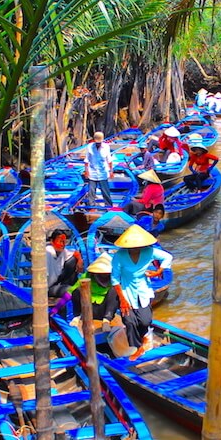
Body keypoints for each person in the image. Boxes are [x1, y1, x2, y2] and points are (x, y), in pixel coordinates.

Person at [111, 225, 173, 360]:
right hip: (126, 291)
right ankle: (138, 348)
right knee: (129, 320)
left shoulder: (149, 252)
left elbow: (167, 257)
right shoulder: (119, 256)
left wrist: (158, 271)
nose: (135, 248)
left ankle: (144, 336)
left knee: (145, 321)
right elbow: (115, 278)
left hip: (144, 290)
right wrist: (122, 299)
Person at [70, 254, 120, 323]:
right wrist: (56, 308)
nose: (104, 275)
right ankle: (77, 316)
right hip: (88, 308)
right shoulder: (87, 275)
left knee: (115, 291)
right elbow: (70, 291)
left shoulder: (114, 278)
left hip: (104, 309)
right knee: (77, 290)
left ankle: (107, 319)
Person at [45, 229, 83, 302]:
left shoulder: (62, 251)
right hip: (47, 288)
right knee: (73, 291)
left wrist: (80, 261)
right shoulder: (47, 253)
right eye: (60, 241)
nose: (62, 244)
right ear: (52, 241)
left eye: (64, 242)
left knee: (73, 260)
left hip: (57, 282)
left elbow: (75, 253)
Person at [84, 131, 113, 206]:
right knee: (91, 191)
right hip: (92, 172)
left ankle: (108, 205)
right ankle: (91, 205)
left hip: (103, 173)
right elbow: (87, 160)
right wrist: (86, 171)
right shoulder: (89, 147)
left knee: (105, 191)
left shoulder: (106, 147)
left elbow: (109, 160)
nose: (98, 144)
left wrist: (111, 171)